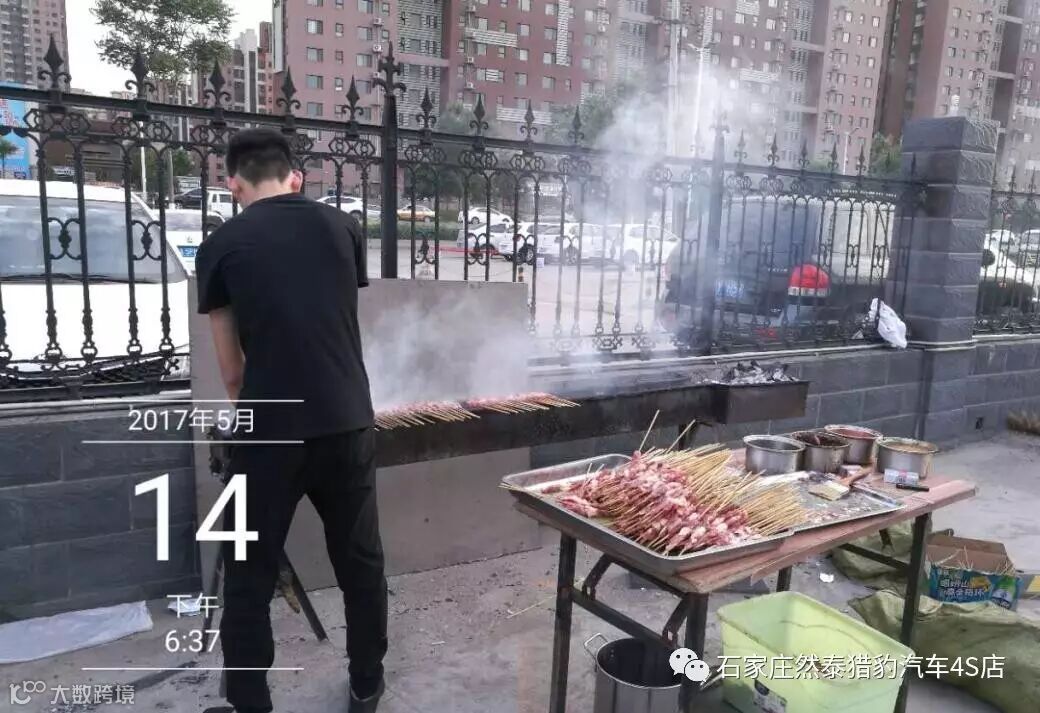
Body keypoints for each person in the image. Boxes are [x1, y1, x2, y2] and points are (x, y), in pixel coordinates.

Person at [195, 128, 387, 713]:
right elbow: (334, 321)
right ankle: (366, 684)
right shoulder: (344, 228)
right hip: (347, 421)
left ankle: (250, 701)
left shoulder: (220, 246)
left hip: (269, 431)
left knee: (247, 574)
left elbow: (232, 373)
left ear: (233, 184)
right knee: (360, 562)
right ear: (294, 177)